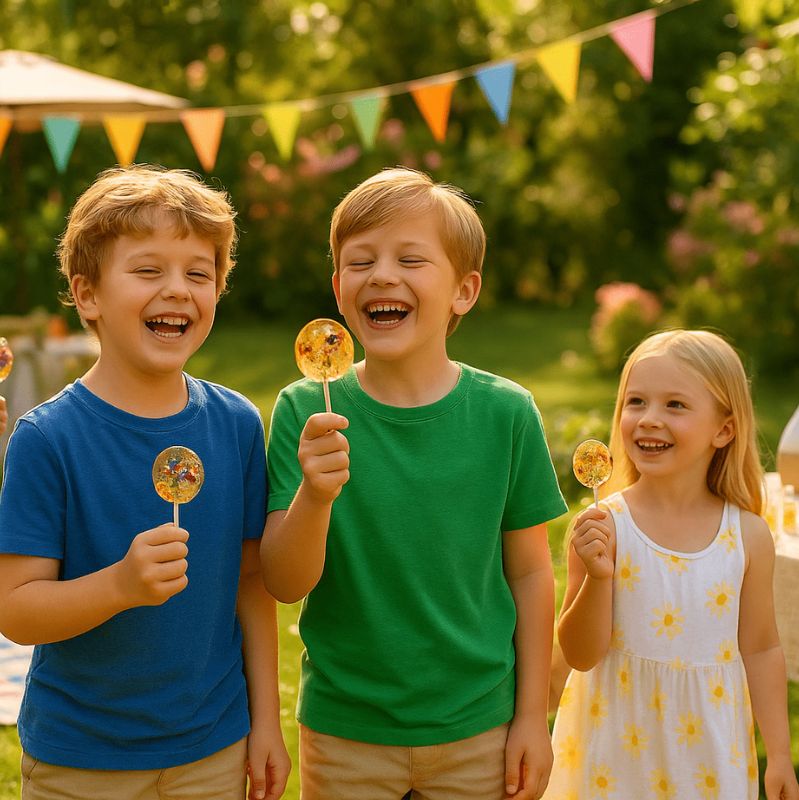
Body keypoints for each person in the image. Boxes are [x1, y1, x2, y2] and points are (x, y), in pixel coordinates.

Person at [261, 167, 568, 800]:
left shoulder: (507, 413)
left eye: (410, 258)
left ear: (464, 290)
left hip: (480, 726)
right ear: (338, 288)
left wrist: (533, 716)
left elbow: (533, 574)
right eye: (360, 261)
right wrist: (314, 497)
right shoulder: (304, 411)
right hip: (346, 731)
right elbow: (285, 583)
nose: (382, 276)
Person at [0, 165, 290, 800]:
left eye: (198, 273)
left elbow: (251, 582)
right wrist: (120, 585)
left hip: (213, 745)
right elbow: (16, 609)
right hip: (81, 758)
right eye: (148, 270)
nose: (178, 291)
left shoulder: (237, 423)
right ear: (87, 295)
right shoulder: (47, 439)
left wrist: (265, 719)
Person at [545, 329, 799, 800]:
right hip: (613, 754)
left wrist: (780, 755)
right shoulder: (605, 526)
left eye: (675, 405)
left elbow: (762, 648)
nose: (649, 420)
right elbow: (579, 655)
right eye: (636, 402)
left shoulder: (747, 536)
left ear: (724, 429)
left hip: (706, 759)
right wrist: (598, 577)